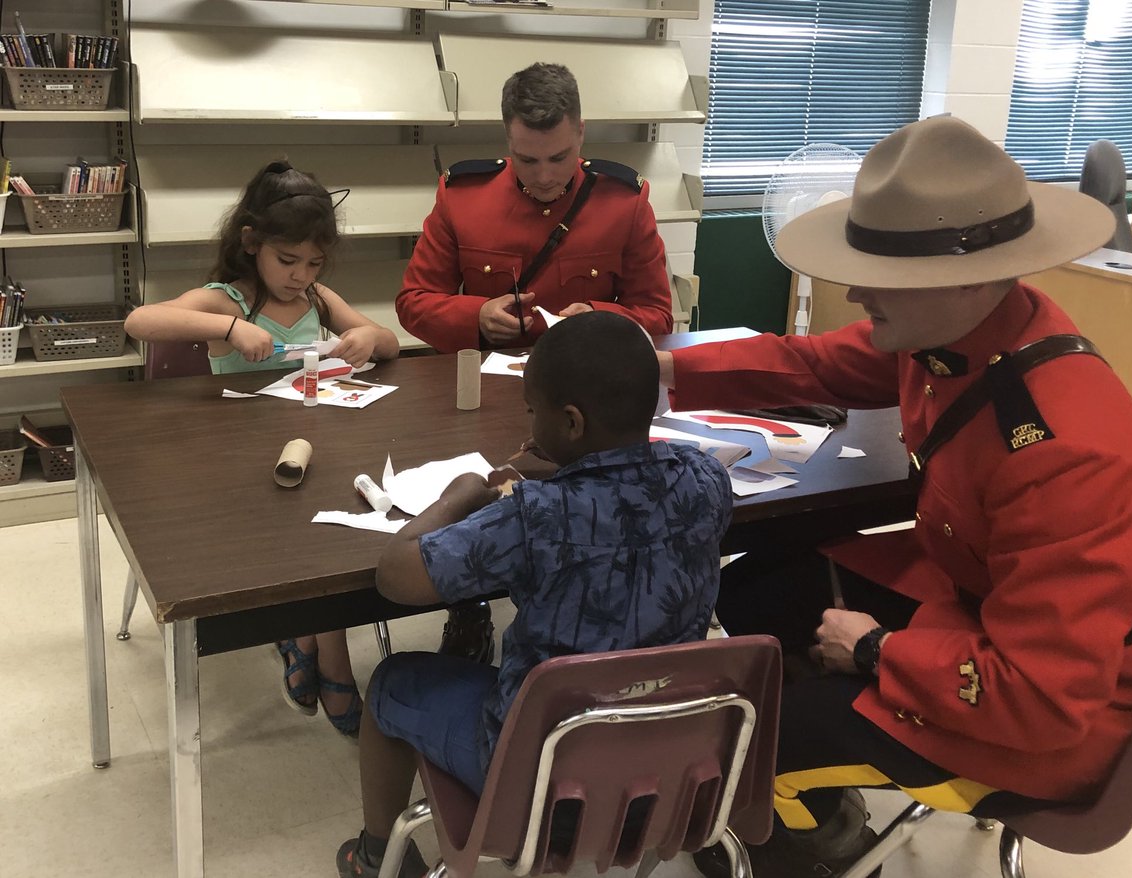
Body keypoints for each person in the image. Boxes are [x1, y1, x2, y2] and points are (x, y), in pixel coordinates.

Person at [657, 116, 1132, 878]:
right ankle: (832, 779)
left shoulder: (1067, 453)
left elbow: (1043, 701)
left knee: (748, 741)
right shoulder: (967, 331)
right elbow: (814, 365)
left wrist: (877, 650)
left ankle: (810, 836)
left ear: (968, 275)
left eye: (880, 272)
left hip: (1067, 713)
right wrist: (664, 369)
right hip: (989, 613)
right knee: (756, 590)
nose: (852, 290)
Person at [336, 311, 732, 878]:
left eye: (532, 410)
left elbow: (396, 576)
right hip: (670, 757)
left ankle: (376, 856)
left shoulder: (533, 516)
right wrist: (574, 470)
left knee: (391, 682)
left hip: (542, 767)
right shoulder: (705, 478)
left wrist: (462, 495)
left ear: (570, 422)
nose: (530, 421)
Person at [395, 61, 676, 665]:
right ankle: (466, 605)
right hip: (486, 397)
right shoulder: (463, 196)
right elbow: (414, 303)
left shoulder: (624, 201)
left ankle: (574, 611)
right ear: (506, 142)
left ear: (582, 137)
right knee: (468, 498)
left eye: (561, 158)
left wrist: (597, 317)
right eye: (527, 160)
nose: (546, 177)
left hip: (586, 407)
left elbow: (657, 311)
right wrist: (476, 316)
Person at [125, 160, 402, 737]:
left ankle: (307, 639)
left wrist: (366, 338)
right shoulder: (232, 300)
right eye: (288, 261)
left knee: (336, 515)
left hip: (315, 443)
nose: (301, 276)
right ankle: (333, 659)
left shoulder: (319, 300)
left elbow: (389, 343)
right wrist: (226, 331)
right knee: (315, 524)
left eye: (314, 263)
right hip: (245, 461)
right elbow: (139, 321)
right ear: (252, 244)